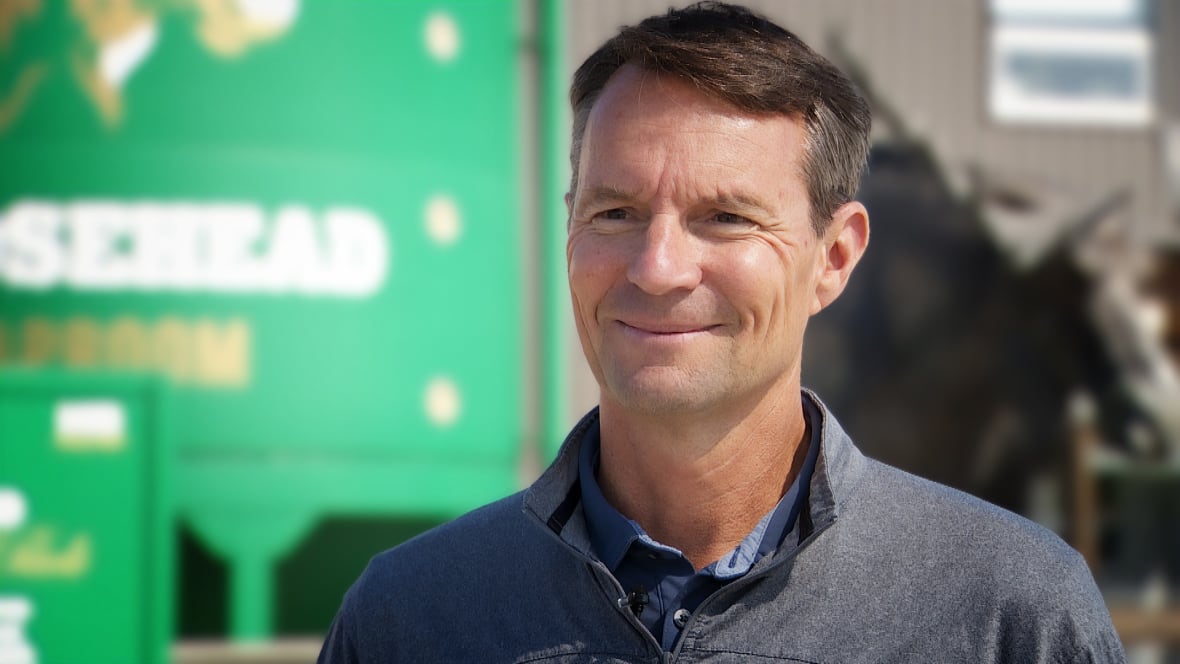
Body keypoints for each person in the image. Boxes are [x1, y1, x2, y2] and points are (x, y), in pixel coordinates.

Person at [318, 3, 1125, 661]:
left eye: (727, 218)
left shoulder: (1006, 617)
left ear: (833, 258)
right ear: (569, 229)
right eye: (616, 212)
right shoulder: (410, 620)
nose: (658, 266)